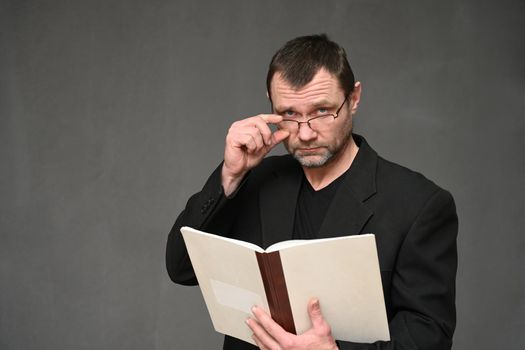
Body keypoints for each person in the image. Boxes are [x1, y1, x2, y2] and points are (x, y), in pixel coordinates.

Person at [166, 34, 458, 350]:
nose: (305, 133)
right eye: (289, 114)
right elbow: (181, 268)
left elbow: (429, 336)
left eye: (321, 111)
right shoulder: (255, 177)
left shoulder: (420, 204)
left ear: (354, 97)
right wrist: (230, 175)